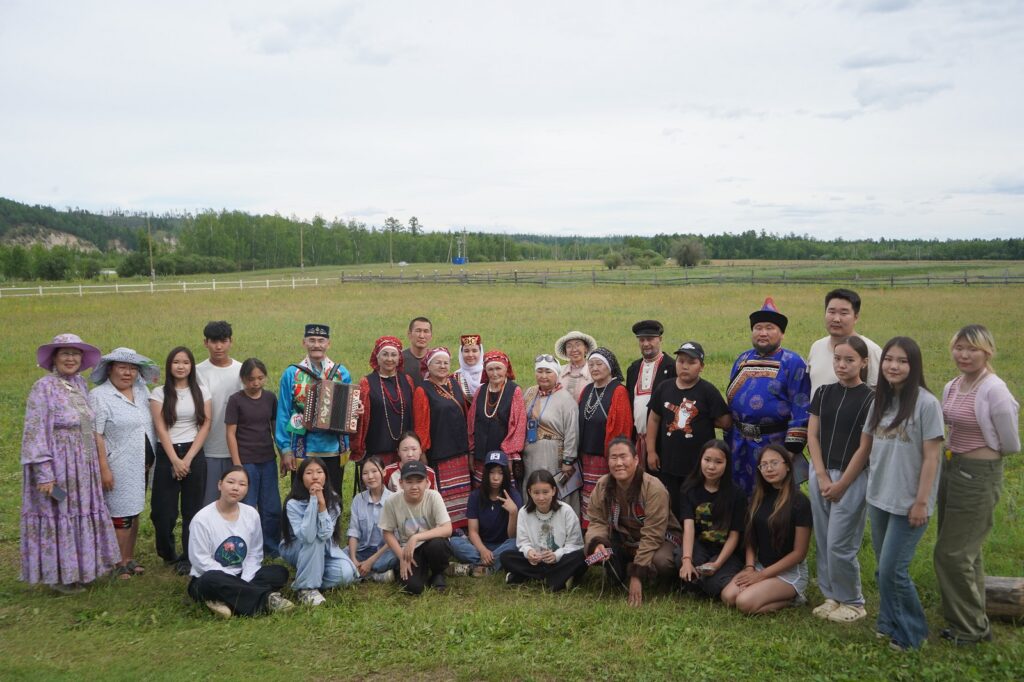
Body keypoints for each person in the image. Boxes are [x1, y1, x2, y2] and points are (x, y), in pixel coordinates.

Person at [935, 325, 1020, 646]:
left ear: (988, 352)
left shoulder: (994, 389)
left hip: (979, 474)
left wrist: (980, 457)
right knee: (966, 552)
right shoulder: (953, 385)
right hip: (951, 468)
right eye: (959, 348)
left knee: (952, 553)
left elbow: (1010, 443)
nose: (964, 354)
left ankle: (968, 630)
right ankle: (973, 619)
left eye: (972, 349)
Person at [21, 334, 120, 593]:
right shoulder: (43, 387)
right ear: (54, 358)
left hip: (82, 466)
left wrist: (93, 463)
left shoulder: (79, 384)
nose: (71, 359)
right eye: (65, 353)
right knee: (59, 512)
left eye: (75, 354)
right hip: (58, 464)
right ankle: (60, 577)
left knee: (80, 512)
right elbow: (35, 431)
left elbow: (87, 426)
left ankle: (81, 570)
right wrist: (44, 473)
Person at [862, 337, 944, 651]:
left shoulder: (926, 404)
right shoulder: (880, 401)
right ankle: (887, 622)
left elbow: (932, 458)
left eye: (902, 361)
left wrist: (922, 502)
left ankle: (913, 633)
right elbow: (867, 446)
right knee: (883, 568)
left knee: (893, 570)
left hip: (910, 502)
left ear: (914, 365)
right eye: (889, 359)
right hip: (879, 496)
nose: (893, 366)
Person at [806, 336, 875, 623]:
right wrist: (821, 475)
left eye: (849, 360)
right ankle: (831, 595)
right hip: (821, 473)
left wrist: (842, 483)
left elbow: (865, 446)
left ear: (864, 362)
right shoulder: (823, 393)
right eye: (837, 358)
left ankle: (853, 601)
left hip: (851, 477)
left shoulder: (871, 399)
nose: (842, 365)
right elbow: (812, 435)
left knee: (840, 542)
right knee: (823, 539)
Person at [726, 297, 811, 495]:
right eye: (758, 328)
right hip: (740, 445)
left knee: (775, 497)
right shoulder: (742, 359)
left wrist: (790, 452)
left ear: (782, 333)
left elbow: (801, 407)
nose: (763, 333)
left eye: (770, 328)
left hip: (775, 445)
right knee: (740, 497)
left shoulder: (793, 362)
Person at [89, 346, 159, 580]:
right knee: (120, 515)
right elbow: (96, 433)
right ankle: (115, 563)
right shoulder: (100, 396)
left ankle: (128, 558)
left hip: (142, 464)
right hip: (118, 464)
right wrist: (104, 468)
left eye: (132, 368)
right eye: (122, 367)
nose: (127, 373)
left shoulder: (141, 390)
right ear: (110, 369)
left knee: (135, 510)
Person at [585, 438, 681, 607]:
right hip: (625, 540)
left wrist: (637, 575)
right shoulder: (603, 485)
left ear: (636, 460)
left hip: (660, 539)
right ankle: (621, 569)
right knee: (594, 552)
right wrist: (598, 544)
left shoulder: (653, 488)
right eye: (613, 458)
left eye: (623, 457)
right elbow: (597, 521)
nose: (618, 463)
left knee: (663, 561)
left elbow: (653, 534)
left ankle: (664, 580)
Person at [186, 466, 293, 618]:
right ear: (220, 485)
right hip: (212, 576)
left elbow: (254, 552)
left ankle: (224, 600)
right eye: (230, 482)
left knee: (279, 572)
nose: (236, 488)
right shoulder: (202, 519)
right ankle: (266, 600)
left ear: (247, 489)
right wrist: (231, 578)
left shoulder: (251, 514)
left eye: (242, 484)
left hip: (243, 573)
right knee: (210, 581)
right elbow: (200, 561)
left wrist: (244, 579)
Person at [721, 445, 812, 614]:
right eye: (764, 465)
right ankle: (765, 590)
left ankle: (794, 599)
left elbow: (799, 553)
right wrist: (750, 568)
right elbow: (751, 539)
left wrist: (761, 576)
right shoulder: (758, 498)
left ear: (787, 466)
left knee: (744, 603)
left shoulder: (800, 502)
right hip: (760, 567)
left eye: (774, 463)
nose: (769, 469)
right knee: (728, 597)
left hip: (789, 573)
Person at [645, 341, 731, 516]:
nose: (685, 366)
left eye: (691, 362)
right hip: (669, 462)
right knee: (673, 505)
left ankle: (696, 533)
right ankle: (676, 532)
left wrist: (702, 420)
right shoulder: (664, 388)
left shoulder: (708, 391)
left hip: (698, 466)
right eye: (681, 361)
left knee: (697, 506)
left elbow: (726, 421)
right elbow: (654, 419)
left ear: (701, 367)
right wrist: (651, 451)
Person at [150, 346, 212, 576]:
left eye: (185, 362)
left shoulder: (202, 392)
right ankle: (167, 552)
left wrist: (188, 458)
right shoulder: (158, 393)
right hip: (167, 454)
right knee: (162, 512)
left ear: (191, 366)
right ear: (169, 365)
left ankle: (188, 556)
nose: (181, 366)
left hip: (193, 453)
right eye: (176, 362)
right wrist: (175, 460)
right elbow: (160, 428)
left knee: (192, 510)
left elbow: (205, 424)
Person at [275, 324, 352, 503]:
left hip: (333, 449)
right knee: (301, 498)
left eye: (321, 341)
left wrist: (355, 410)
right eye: (312, 340)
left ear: (328, 344)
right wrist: (285, 449)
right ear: (304, 343)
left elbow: (348, 407)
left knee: (333, 497)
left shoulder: (341, 373)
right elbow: (283, 412)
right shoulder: (292, 374)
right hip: (303, 449)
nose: (316, 345)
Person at [279, 457, 358, 606]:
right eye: (309, 473)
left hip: (324, 548)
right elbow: (307, 536)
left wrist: (322, 505)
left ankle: (306, 576)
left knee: (345, 573)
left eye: (319, 472)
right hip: (296, 547)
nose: (315, 477)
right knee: (315, 538)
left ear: (325, 476)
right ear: (301, 477)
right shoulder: (293, 503)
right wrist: (314, 501)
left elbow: (326, 534)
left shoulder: (334, 500)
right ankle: (306, 589)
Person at [225, 358, 280, 558]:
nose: (256, 383)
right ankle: (247, 547)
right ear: (243, 379)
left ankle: (271, 547)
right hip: (246, 461)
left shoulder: (270, 398)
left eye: (260, 378)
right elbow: (230, 433)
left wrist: (283, 454)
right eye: (251, 379)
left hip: (267, 459)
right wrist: (237, 464)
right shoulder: (236, 400)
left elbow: (275, 429)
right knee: (247, 505)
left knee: (271, 505)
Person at [678, 440, 746, 600]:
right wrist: (686, 560)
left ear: (727, 464)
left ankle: (702, 584)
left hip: (726, 551)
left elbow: (734, 535)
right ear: (700, 460)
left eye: (718, 462)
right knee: (679, 558)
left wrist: (717, 564)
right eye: (707, 460)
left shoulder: (737, 494)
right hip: (701, 546)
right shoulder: (689, 489)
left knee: (713, 584)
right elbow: (689, 527)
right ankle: (695, 581)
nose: (711, 466)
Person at [413, 347, 472, 529]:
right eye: (438, 362)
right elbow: (421, 424)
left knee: (463, 493)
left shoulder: (454, 383)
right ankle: (448, 530)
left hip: (460, 450)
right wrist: (422, 451)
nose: (442, 366)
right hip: (440, 452)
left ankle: (465, 529)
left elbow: (465, 412)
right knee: (444, 496)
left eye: (446, 363)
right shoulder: (423, 390)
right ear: (428, 366)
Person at [501, 469, 587, 591]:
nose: (541, 498)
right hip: (536, 562)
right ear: (529, 492)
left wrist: (556, 555)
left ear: (553, 491)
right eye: (536, 493)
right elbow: (523, 542)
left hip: (560, 560)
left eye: (545, 492)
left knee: (580, 557)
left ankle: (524, 576)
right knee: (506, 556)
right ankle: (556, 579)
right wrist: (529, 552)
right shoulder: (524, 512)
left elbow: (575, 544)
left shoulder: (566, 511)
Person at [379, 461, 454, 595]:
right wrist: (401, 556)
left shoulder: (434, 496)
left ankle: (437, 573)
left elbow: (447, 529)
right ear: (401, 483)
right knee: (413, 588)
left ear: (427, 482)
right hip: (409, 550)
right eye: (409, 482)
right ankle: (414, 570)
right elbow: (387, 532)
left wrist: (416, 537)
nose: (414, 487)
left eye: (419, 481)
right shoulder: (392, 501)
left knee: (438, 545)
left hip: (431, 543)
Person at [577, 347, 632, 526]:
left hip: (606, 458)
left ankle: (606, 535)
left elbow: (622, 427)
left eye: (599, 364)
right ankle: (589, 534)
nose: (594, 368)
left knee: (605, 499)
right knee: (587, 501)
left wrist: (615, 457)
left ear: (610, 367)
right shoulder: (587, 390)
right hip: (586, 458)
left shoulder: (618, 391)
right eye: (591, 364)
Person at [521, 353, 579, 513]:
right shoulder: (530, 393)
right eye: (540, 371)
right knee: (533, 489)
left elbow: (572, 431)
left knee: (552, 492)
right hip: (531, 455)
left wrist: (568, 460)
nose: (543, 376)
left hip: (553, 455)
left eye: (548, 372)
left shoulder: (565, 399)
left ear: (557, 374)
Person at [351, 336, 416, 475]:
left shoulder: (407, 381)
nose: (389, 359)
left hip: (405, 452)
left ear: (399, 358)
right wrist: (358, 447)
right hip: (376, 450)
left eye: (394, 355)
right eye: (385, 354)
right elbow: (361, 418)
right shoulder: (366, 383)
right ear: (377, 357)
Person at [451, 450, 522, 575]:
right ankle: (490, 565)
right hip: (480, 544)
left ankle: (474, 568)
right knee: (455, 542)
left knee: (516, 544)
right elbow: (473, 532)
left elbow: (512, 536)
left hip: (503, 545)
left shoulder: (514, 496)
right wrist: (483, 550)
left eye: (500, 473)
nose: (495, 477)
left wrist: (513, 513)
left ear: (505, 474)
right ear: (486, 474)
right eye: (492, 472)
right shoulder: (476, 495)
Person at [196, 321, 243, 505]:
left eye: (223, 341)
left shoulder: (241, 371)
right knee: (208, 503)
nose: (218, 347)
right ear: (205, 343)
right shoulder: (197, 372)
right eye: (213, 341)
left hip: (238, 450)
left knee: (237, 503)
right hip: (207, 449)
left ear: (231, 341)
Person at [806, 289, 883, 394]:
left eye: (843, 313)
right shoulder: (817, 346)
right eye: (831, 312)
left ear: (856, 317)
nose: (836, 319)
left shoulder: (871, 350)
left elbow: (878, 394)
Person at [468, 350, 526, 488]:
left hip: (504, 457)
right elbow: (471, 423)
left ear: (506, 369)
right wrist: (471, 451)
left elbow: (519, 425)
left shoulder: (514, 391)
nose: (494, 373)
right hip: (481, 455)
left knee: (502, 490)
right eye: (490, 369)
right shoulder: (481, 391)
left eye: (498, 368)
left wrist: (510, 454)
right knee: (483, 491)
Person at [625, 320, 676, 463]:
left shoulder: (671, 367)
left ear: (660, 339)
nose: (646, 344)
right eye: (642, 340)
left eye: (650, 339)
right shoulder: (633, 369)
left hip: (662, 442)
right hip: (637, 440)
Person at [347, 457, 399, 582]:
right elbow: (354, 532)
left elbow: (395, 537)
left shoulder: (394, 500)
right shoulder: (358, 499)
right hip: (362, 550)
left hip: (385, 551)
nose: (370, 476)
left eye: (374, 471)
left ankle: (360, 573)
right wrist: (353, 559)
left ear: (384, 472)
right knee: (339, 558)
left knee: (394, 556)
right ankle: (375, 575)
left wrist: (370, 562)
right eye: (365, 473)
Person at [554, 330, 597, 401]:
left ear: (585, 348)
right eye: (569, 346)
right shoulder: (558, 371)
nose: (574, 349)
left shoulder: (594, 372)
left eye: (578, 345)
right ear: (565, 351)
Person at [452, 333, 485, 400]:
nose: (470, 355)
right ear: (461, 353)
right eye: (466, 351)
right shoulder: (454, 378)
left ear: (481, 352)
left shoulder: (488, 374)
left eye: (474, 351)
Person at [402, 317, 433, 388]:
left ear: (431, 336)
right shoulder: (399, 360)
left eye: (426, 331)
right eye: (418, 331)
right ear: (409, 334)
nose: (422, 336)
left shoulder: (436, 360)